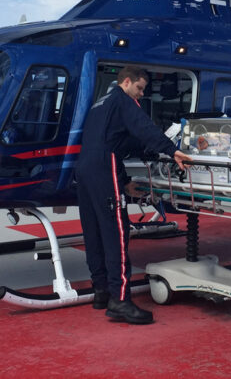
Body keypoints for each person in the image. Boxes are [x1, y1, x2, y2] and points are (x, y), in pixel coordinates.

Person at [75, 66, 190, 324]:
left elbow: (113, 141)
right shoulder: (122, 100)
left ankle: (101, 291)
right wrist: (172, 151)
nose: (140, 95)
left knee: (93, 233)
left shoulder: (99, 104)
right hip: (105, 170)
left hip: (84, 171)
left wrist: (124, 181)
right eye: (139, 88)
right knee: (117, 233)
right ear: (126, 82)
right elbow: (143, 128)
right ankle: (121, 300)